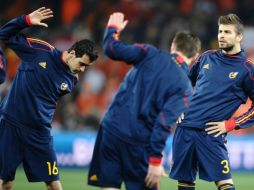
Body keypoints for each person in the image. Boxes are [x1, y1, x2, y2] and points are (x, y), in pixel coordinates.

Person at [88, 12, 201, 190]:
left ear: (173, 46)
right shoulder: (185, 87)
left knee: (109, 186)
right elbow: (163, 124)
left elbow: (111, 48)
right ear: (195, 57)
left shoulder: (149, 52)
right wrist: (155, 161)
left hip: (111, 129)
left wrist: (112, 29)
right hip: (138, 141)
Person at [0, 7, 98, 190]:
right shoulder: (40, 51)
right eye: (82, 64)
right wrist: (26, 20)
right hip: (12, 125)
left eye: (87, 67)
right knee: (6, 183)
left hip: (40, 133)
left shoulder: (72, 79)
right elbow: (4, 34)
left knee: (54, 185)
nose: (82, 70)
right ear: (71, 53)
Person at [170, 13, 254, 190]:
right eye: (220, 31)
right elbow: (184, 84)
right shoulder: (206, 57)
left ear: (239, 36)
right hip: (185, 129)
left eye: (227, 32)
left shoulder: (247, 68)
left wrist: (231, 124)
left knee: (224, 183)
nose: (222, 35)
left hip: (211, 133)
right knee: (185, 182)